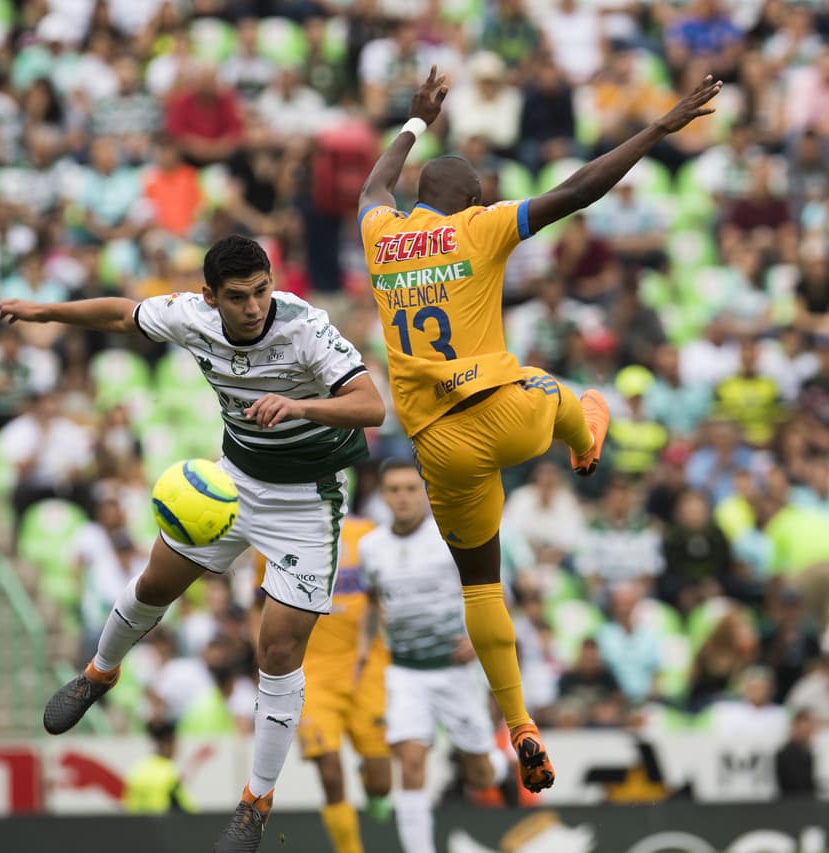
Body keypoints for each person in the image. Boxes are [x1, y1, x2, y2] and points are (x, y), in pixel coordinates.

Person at [357, 67, 720, 792]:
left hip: (437, 446)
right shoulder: (480, 227)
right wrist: (656, 128)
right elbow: (578, 190)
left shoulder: (382, 236)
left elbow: (373, 189)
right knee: (564, 392)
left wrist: (413, 122)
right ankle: (584, 436)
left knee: (481, 588)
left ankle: (519, 718)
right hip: (508, 415)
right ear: (468, 200)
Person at [0, 234, 386, 853]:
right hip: (235, 483)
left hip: (307, 505)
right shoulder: (192, 317)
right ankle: (100, 672)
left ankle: (255, 802)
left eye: (261, 291)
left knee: (276, 651)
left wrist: (302, 406)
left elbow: (371, 405)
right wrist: (46, 312)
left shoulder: (308, 330)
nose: (254, 307)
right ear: (210, 297)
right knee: (155, 583)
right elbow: (122, 313)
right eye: (238, 297)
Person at [357, 460, 509, 853]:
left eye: (411, 488)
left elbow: (491, 592)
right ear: (383, 495)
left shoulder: (451, 538)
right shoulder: (371, 547)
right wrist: (362, 654)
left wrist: (478, 640)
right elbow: (373, 602)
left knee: (480, 776)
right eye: (394, 490)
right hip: (405, 672)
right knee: (409, 762)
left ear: (423, 493)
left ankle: (498, 760)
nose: (403, 497)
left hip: (454, 671)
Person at [252, 516, 392, 853]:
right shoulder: (279, 536)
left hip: (366, 668)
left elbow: (383, 598)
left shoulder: (369, 534)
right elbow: (258, 605)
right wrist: (266, 661)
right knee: (329, 772)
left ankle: (373, 785)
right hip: (310, 670)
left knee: (382, 782)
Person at [122, 719, 197, 814]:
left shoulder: (136, 769)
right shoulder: (171, 771)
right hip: (163, 826)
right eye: (175, 743)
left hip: (138, 826)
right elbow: (187, 809)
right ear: (168, 744)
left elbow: (128, 806)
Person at [774, 708, 816, 798]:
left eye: (808, 730)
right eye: (802, 730)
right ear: (794, 728)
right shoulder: (785, 754)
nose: (805, 733)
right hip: (792, 803)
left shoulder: (809, 752)